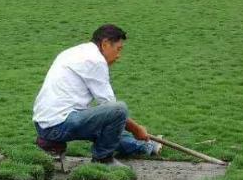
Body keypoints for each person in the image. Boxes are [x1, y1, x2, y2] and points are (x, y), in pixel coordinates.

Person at [32, 25, 160, 164]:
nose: (119, 56)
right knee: (119, 109)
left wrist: (136, 131)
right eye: (118, 49)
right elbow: (113, 109)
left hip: (45, 123)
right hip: (58, 125)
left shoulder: (76, 52)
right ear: (105, 44)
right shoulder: (95, 60)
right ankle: (103, 159)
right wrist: (137, 129)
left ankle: (146, 147)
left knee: (109, 130)